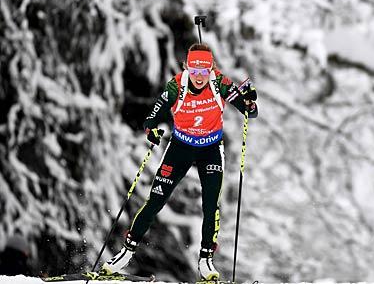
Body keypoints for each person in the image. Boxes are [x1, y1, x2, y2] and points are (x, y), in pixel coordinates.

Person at [100, 43, 258, 280]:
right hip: (180, 148)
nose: (198, 77)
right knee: (155, 200)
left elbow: (249, 110)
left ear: (211, 70)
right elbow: (154, 115)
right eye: (194, 70)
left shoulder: (220, 83)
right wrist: (151, 129)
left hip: (210, 150)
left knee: (211, 204)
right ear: (186, 67)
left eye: (204, 71)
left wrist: (249, 101)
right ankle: (125, 253)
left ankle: (206, 261)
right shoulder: (176, 86)